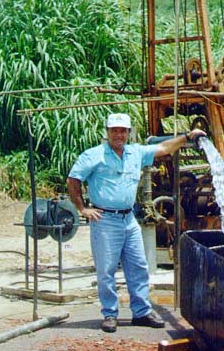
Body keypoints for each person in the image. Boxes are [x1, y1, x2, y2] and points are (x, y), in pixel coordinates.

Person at [66, 112, 206, 333]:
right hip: (105, 220)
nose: (118, 134)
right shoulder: (93, 155)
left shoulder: (136, 153)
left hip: (129, 219)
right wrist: (82, 208)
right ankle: (110, 314)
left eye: (123, 130)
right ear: (108, 132)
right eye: (114, 130)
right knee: (106, 269)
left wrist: (187, 137)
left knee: (138, 266)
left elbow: (164, 148)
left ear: (129, 133)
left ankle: (141, 312)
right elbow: (73, 180)